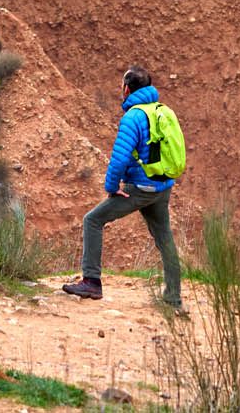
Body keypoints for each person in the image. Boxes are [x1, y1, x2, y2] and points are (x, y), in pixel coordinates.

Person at [61, 66, 182, 309]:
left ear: (127, 89)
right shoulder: (164, 111)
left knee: (92, 220)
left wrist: (111, 186)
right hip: (162, 186)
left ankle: (91, 282)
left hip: (139, 187)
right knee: (165, 238)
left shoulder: (133, 117)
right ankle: (173, 298)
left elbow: (120, 157)